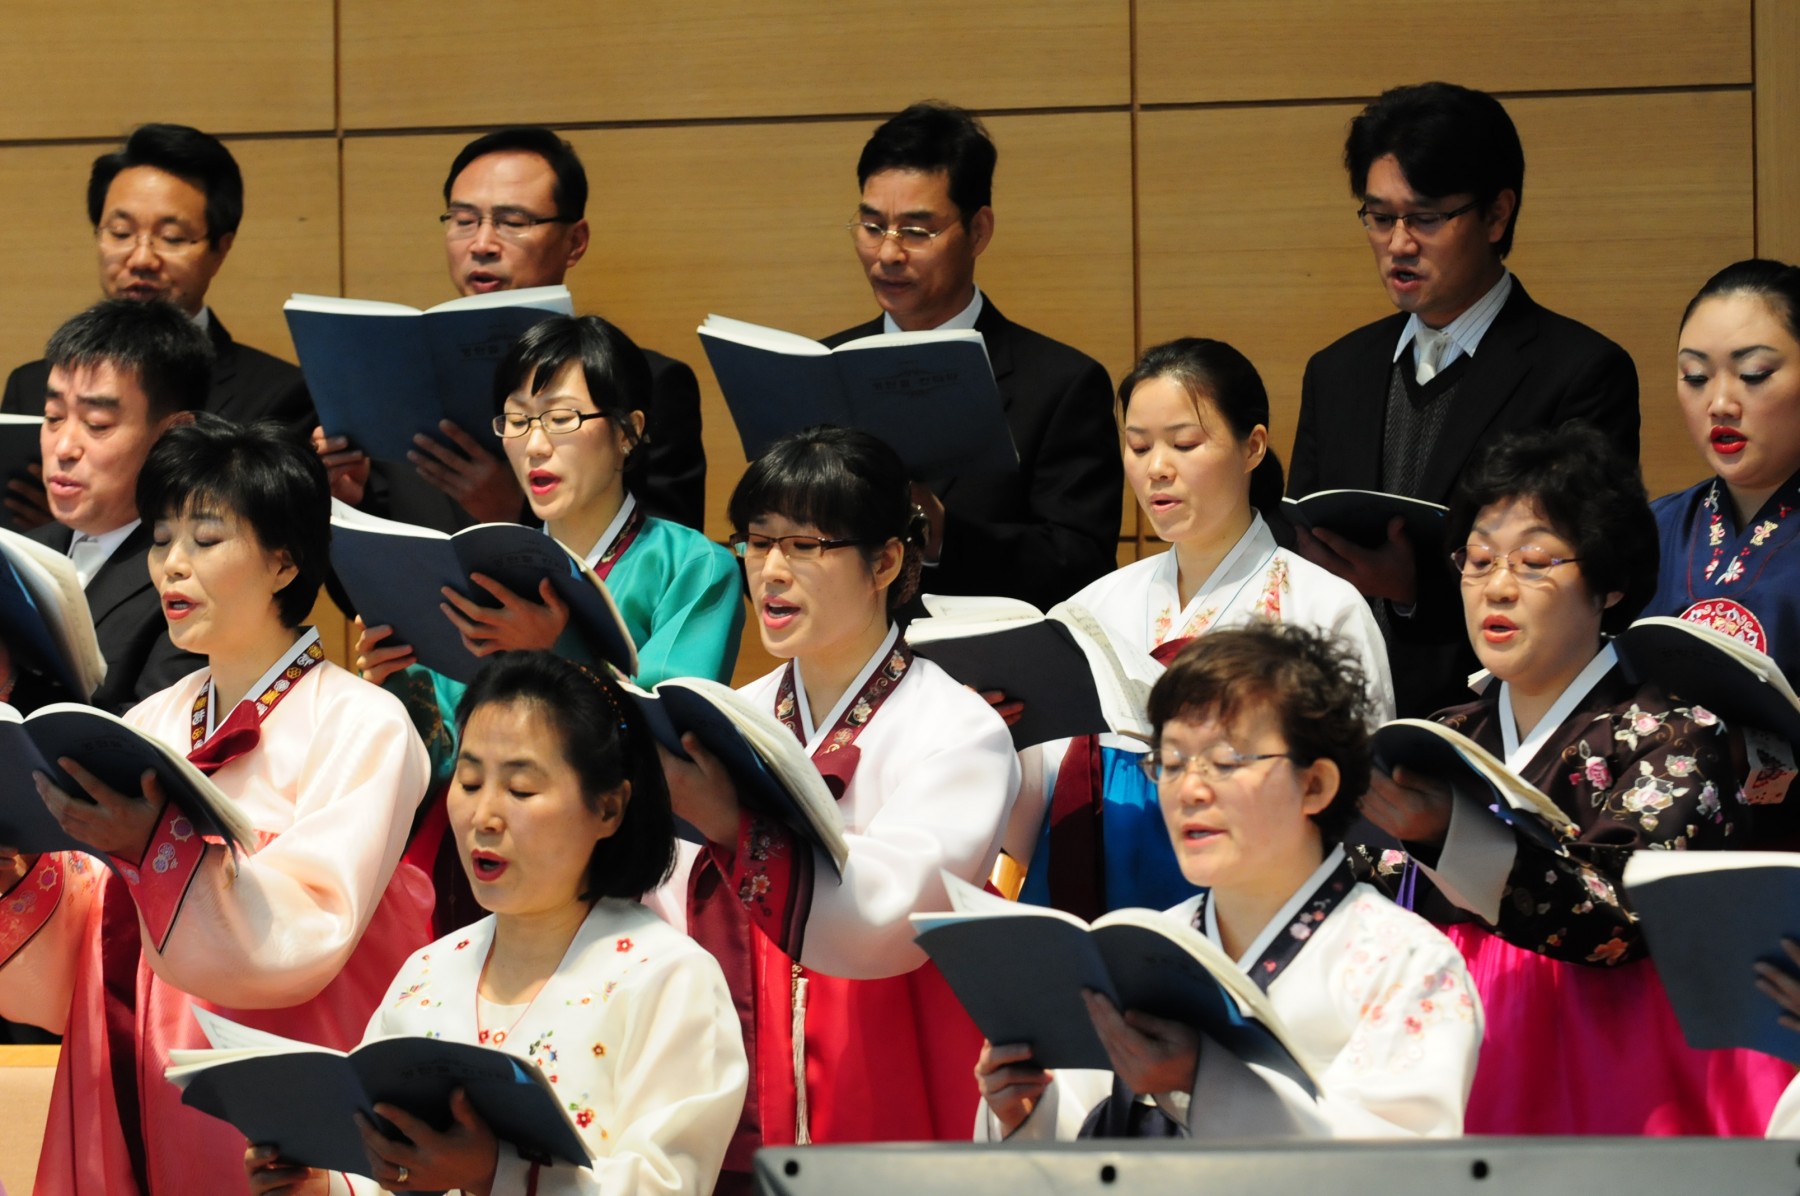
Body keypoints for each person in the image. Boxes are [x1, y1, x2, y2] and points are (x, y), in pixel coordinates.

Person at [0, 415, 433, 1193]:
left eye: (205, 539)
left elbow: (310, 931)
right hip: (133, 1059)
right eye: (162, 538)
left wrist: (159, 848)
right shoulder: (150, 719)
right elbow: (95, 927)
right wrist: (22, 867)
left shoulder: (363, 722)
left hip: (265, 1076)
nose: (172, 565)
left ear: (283, 560)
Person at [1360, 425, 1793, 1134]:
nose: (1498, 587)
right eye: (1478, 561)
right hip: (1443, 1052)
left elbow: (1621, 923)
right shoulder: (1443, 734)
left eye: (1534, 562)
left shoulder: (1676, 734)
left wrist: (1449, 834)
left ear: (1609, 582)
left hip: (1609, 1069)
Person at [643, 426, 1018, 1193]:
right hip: (736, 1090)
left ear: (885, 562)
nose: (772, 571)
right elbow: (665, 910)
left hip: (889, 1088)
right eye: (758, 543)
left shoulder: (958, 728)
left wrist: (732, 825)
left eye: (806, 545)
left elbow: (886, 920)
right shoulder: (733, 715)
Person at [244, 652, 747, 1196]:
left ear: (608, 808)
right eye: (469, 781)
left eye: (521, 789)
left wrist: (495, 1174)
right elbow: (388, 1167)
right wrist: (325, 1186)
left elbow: (668, 1184)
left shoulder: (669, 977)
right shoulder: (428, 972)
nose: (483, 816)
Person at [977, 623, 1481, 1141]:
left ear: (1315, 784)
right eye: (1171, 762)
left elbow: (1404, 1164)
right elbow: (1075, 1125)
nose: (1190, 789)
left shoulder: (1404, 960)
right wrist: (1025, 1112)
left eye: (1226, 761)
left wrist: (1201, 1080)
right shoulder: (1137, 947)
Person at [1288, 81, 1639, 719]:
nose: (1399, 244)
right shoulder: (1336, 372)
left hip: (1499, 725)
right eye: (1380, 217)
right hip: (1340, 725)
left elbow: (1592, 580)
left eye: (1425, 218)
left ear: (1497, 215)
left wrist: (1414, 589)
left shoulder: (1581, 372)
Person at [1012, 338, 1393, 916]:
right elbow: (1041, 784)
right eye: (1138, 446)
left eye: (1185, 444)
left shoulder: (1322, 607)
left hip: (1257, 905)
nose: (1156, 469)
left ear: (1253, 446)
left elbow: (1362, 801)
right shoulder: (1091, 607)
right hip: (1097, 888)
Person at [315, 126, 707, 533]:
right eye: (463, 220)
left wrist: (520, 514)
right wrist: (352, 501)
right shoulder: (393, 382)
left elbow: (670, 562)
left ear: (575, 241)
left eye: (512, 221)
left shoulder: (647, 383)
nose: (481, 243)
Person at [822, 101, 1121, 610]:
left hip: (991, 658)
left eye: (916, 231)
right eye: (872, 226)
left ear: (978, 231)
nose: (888, 253)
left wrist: (942, 534)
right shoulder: (823, 367)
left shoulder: (1061, 384)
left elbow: (1080, 566)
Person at [4, 123, 312, 529]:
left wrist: (94, 520)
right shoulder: (30, 385)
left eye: (172, 237)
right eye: (121, 233)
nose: (141, 259)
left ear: (221, 249)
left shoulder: (278, 396)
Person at [1646, 259, 1800, 848]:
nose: (1720, 403)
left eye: (1753, 374)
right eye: (1695, 377)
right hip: (1659, 854)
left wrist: (1745, 750)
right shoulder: (1649, 528)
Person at [16, 300, 209, 713]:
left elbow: (157, 731)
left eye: (97, 424)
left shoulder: (197, 576)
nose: (64, 448)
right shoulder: (20, 552)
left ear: (173, 434)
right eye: (53, 417)